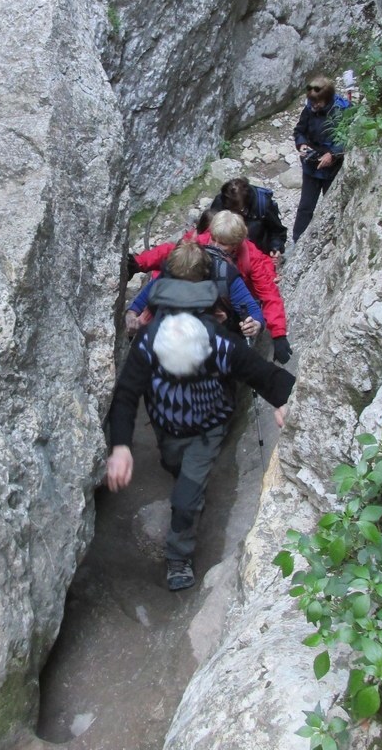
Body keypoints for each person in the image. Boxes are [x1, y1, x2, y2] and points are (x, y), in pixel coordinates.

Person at [106, 250, 296, 592]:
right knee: (174, 465)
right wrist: (121, 446)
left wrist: (286, 400)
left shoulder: (218, 341)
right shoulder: (150, 342)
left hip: (209, 427)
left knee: (186, 495)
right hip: (167, 427)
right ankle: (188, 489)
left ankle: (178, 556)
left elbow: (262, 373)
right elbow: (127, 393)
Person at [130, 210, 292, 363]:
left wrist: (278, 334)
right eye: (213, 238)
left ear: (236, 244)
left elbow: (269, 294)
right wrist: (139, 263)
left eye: (222, 243)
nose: (214, 245)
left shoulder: (253, 259)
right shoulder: (201, 240)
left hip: (232, 306)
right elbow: (170, 253)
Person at [125, 240, 264, 340]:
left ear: (203, 274)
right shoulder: (172, 271)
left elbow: (252, 309)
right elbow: (142, 300)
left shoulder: (225, 276)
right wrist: (131, 316)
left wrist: (255, 324)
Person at [292, 76, 349, 243]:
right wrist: (302, 145)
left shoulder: (340, 111)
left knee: (331, 206)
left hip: (332, 168)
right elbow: (299, 130)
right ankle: (298, 240)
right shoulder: (309, 109)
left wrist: (332, 154)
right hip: (311, 165)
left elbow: (346, 138)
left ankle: (333, 239)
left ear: (327, 98)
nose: (314, 106)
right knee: (305, 207)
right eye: (312, 102)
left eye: (318, 102)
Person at [209, 177, 287, 263]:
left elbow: (277, 230)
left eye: (237, 211)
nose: (233, 215)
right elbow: (208, 229)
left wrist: (275, 248)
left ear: (246, 203)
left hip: (257, 254)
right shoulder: (220, 202)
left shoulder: (262, 205)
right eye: (229, 210)